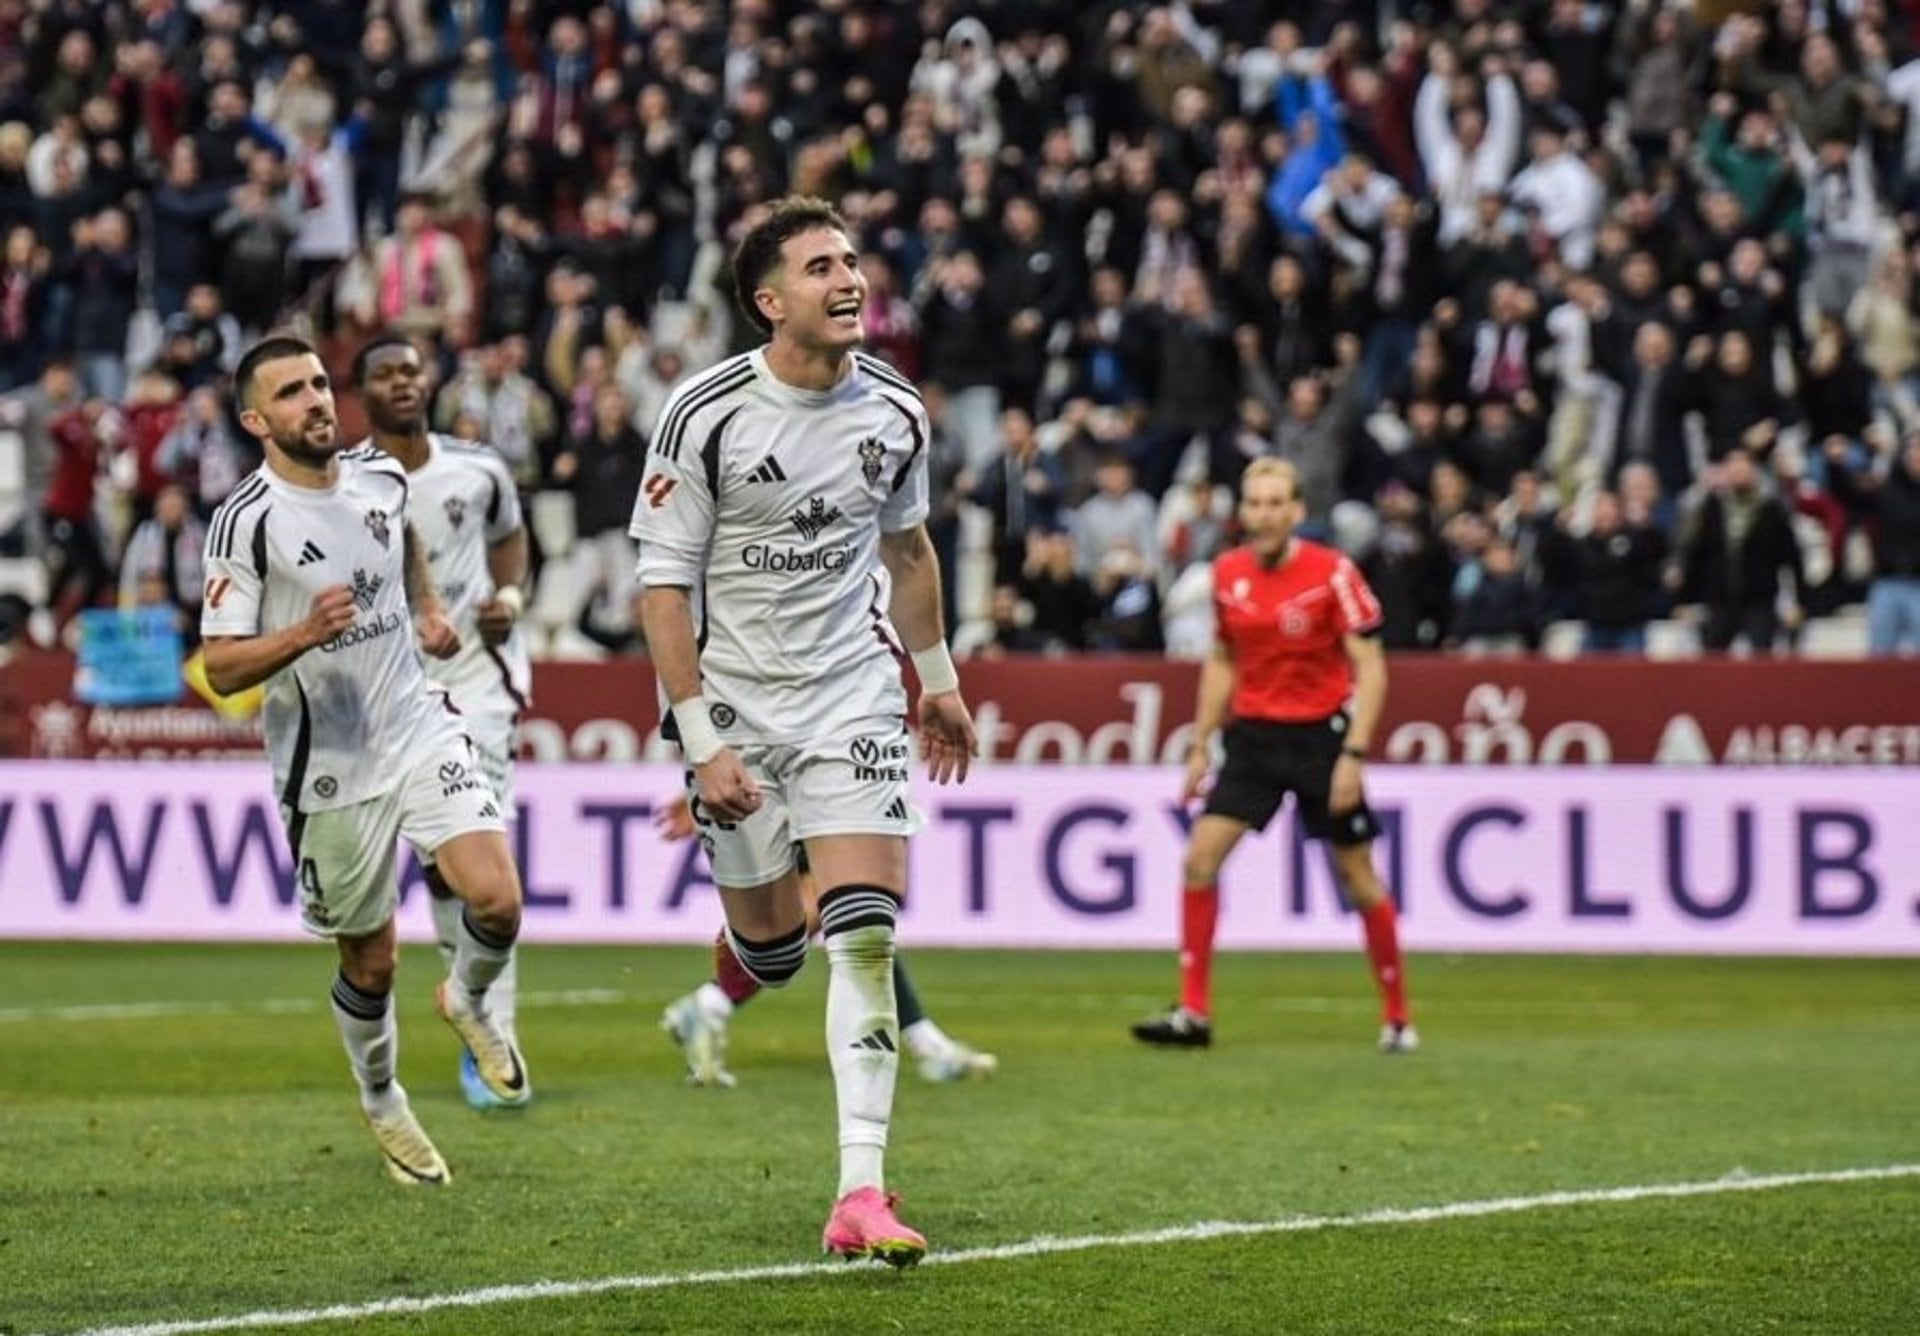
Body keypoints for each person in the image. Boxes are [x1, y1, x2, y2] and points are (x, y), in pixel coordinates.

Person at [630, 197, 977, 1268]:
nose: (849, 278)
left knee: (865, 932)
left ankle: (859, 1188)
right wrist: (700, 743)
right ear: (770, 301)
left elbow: (908, 552)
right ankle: (741, 958)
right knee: (777, 952)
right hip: (735, 704)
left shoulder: (896, 409)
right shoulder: (707, 413)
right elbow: (662, 586)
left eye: (852, 259)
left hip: (852, 695)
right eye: (821, 265)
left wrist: (937, 682)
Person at [201, 335, 530, 1187]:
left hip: (416, 724)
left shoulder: (379, 475)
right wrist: (304, 633)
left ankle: (466, 998)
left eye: (318, 383)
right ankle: (383, 1098)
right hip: (329, 764)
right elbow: (222, 665)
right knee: (371, 962)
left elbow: (405, 540)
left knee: (497, 899)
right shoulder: (247, 521)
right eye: (290, 393)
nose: (315, 400)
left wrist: (427, 609)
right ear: (256, 421)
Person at [1131, 457, 1418, 1054]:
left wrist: (1353, 754)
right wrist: (1201, 744)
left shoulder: (1333, 572)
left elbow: (1371, 668)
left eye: (1274, 503)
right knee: (1199, 860)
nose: (1262, 515)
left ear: (1296, 511)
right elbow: (1223, 660)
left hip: (1321, 741)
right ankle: (1194, 1012)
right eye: (1254, 503)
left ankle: (1397, 1017)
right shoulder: (1227, 573)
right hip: (1254, 740)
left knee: (1359, 880)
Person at [352, 332, 535, 1111]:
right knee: (441, 870)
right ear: (363, 394)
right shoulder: (349, 485)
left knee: (484, 861)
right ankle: (472, 1007)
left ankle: (493, 1034)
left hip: (479, 686)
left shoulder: (479, 469)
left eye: (411, 370)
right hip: (395, 696)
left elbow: (513, 543)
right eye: (384, 374)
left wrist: (510, 600)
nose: (401, 382)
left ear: (428, 383)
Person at [652, 793, 997, 1089]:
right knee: (840, 897)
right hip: (819, 782)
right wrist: (701, 788)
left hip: (834, 778)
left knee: (850, 907)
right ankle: (711, 1002)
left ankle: (710, 1004)